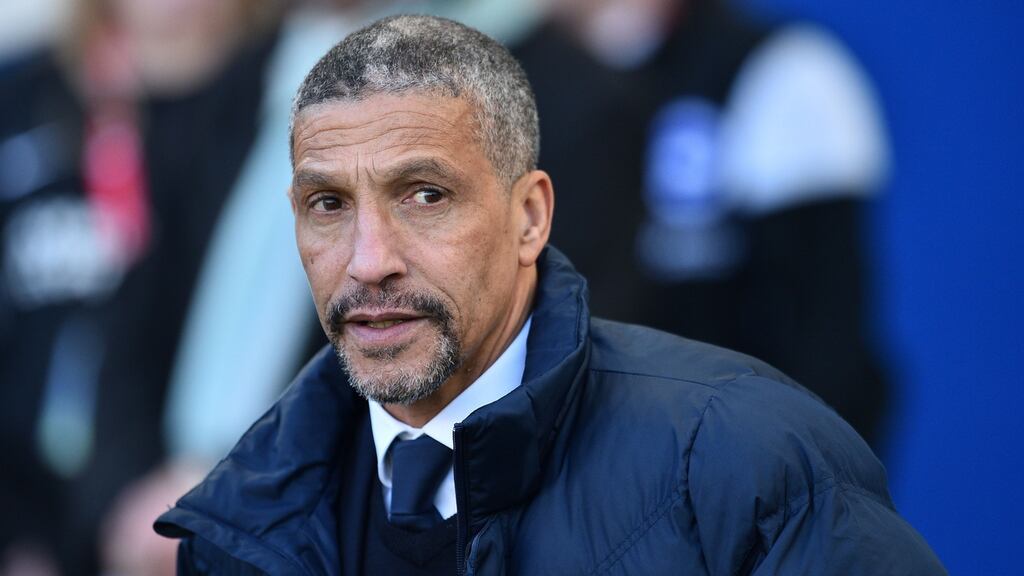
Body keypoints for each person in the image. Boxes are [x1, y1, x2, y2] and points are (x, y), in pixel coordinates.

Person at [154, 15, 945, 575]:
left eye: (425, 195)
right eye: (328, 205)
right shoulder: (235, 523)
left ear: (530, 217)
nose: (368, 261)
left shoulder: (750, 462)